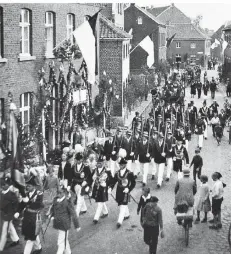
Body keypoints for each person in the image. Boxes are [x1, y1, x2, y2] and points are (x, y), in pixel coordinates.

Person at [15, 174, 44, 254]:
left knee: (30, 238)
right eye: (27, 186)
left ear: (34, 186)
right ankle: (38, 248)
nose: (27, 187)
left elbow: (37, 204)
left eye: (29, 186)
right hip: (27, 217)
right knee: (33, 233)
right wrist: (18, 211)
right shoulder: (26, 194)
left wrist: (28, 201)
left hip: (35, 217)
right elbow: (21, 204)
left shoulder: (39, 194)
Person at [49, 186, 81, 254]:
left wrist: (77, 225)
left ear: (65, 193)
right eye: (58, 192)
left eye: (60, 192)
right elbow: (53, 209)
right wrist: (51, 215)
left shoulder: (68, 202)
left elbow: (73, 214)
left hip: (65, 225)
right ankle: (68, 252)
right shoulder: (56, 200)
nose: (58, 194)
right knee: (64, 240)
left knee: (60, 242)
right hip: (58, 223)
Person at [109, 158, 136, 228]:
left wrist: (129, 189)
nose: (120, 166)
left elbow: (133, 183)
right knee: (121, 204)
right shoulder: (117, 172)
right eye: (119, 165)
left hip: (125, 191)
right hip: (119, 191)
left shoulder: (130, 173)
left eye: (121, 165)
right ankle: (127, 215)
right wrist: (110, 188)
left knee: (123, 205)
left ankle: (119, 221)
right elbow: (113, 181)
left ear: (125, 165)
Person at [0, 177, 20, 252]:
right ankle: (16, 239)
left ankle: (1, 247)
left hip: (9, 215)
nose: (2, 186)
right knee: (10, 227)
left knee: (4, 230)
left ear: (8, 185)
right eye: (2, 185)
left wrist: (15, 213)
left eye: (4, 184)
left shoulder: (11, 194)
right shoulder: (1, 193)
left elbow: (16, 204)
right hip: (3, 214)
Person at [91, 156, 112, 224]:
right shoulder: (95, 170)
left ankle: (96, 218)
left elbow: (111, 179)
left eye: (100, 163)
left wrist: (109, 186)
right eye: (97, 163)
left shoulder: (107, 170)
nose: (98, 164)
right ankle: (105, 212)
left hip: (103, 188)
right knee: (100, 201)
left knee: (100, 203)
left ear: (103, 163)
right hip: (96, 187)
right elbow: (91, 177)